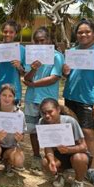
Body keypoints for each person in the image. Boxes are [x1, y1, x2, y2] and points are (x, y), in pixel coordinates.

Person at [62, 19, 94, 187]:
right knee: (70, 132)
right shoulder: (73, 51)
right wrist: (65, 71)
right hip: (70, 97)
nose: (83, 35)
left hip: (88, 100)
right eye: (80, 32)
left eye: (87, 32)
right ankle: (72, 163)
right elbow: (68, 75)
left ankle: (91, 169)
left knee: (88, 133)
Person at [22, 27, 64, 173]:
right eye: (37, 41)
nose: (40, 43)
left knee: (49, 130)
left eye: (43, 40)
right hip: (31, 98)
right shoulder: (31, 56)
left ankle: (51, 159)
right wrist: (33, 69)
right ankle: (36, 156)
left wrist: (33, 84)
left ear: (49, 40)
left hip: (48, 100)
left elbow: (54, 77)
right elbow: (26, 78)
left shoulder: (57, 56)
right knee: (33, 130)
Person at [40, 98, 90, 187]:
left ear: (58, 110)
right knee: (46, 162)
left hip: (75, 154)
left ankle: (78, 182)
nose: (47, 115)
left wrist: (69, 150)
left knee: (80, 158)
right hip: (59, 155)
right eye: (44, 113)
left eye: (50, 112)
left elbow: (84, 147)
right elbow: (48, 147)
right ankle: (60, 175)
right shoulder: (42, 122)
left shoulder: (70, 121)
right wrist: (51, 161)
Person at [0, 84, 25, 182]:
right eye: (4, 95)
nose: (7, 98)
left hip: (11, 146)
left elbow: (22, 135)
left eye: (10, 96)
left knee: (19, 160)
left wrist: (20, 138)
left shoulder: (19, 114)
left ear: (14, 97)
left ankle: (8, 162)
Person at [0, 20, 25, 109]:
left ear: (15, 34)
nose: (8, 34)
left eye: (11, 32)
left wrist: (19, 66)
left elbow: (25, 73)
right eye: (5, 32)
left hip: (14, 92)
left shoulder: (22, 49)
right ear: (2, 32)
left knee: (12, 120)